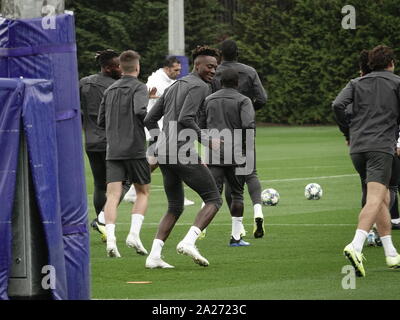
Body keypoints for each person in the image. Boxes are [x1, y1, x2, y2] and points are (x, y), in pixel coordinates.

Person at [144, 45, 223, 269]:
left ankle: (154, 256)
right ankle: (189, 242)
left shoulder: (175, 85)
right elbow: (187, 118)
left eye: (215, 67)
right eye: (209, 66)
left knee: (175, 206)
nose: (213, 71)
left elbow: (149, 119)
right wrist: (207, 140)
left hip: (164, 152)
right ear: (196, 66)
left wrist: (160, 142)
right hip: (181, 151)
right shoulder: (200, 86)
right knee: (214, 199)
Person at [332, 45, 400, 276]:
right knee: (376, 197)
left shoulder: (355, 83)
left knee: (384, 197)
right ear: (391, 63)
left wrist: (348, 131)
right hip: (381, 148)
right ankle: (356, 245)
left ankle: (391, 253)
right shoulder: (396, 82)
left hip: (358, 149)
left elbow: (337, 105)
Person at [98, 50, 150, 258]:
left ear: (121, 67)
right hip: (135, 148)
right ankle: (133, 235)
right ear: (137, 67)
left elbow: (101, 121)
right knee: (143, 192)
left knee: (112, 195)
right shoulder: (140, 87)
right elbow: (140, 111)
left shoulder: (109, 90)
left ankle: (111, 239)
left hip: (113, 149)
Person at [213, 39, 268, 239]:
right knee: (250, 173)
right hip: (243, 130)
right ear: (238, 53)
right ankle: (258, 212)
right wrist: (248, 112)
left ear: (220, 54)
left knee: (228, 180)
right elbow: (262, 99)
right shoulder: (249, 71)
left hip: (217, 134)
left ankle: (237, 227)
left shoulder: (214, 72)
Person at [123, 56, 195, 206]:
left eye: (179, 70)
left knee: (159, 161)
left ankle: (130, 191)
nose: (178, 72)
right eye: (176, 70)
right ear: (167, 69)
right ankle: (131, 190)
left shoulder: (169, 80)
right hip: (158, 128)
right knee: (170, 159)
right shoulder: (156, 81)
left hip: (163, 128)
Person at [79, 49, 129, 242]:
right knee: (123, 182)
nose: (122, 69)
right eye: (118, 66)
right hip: (112, 142)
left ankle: (103, 226)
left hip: (91, 141)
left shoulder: (83, 82)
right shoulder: (117, 86)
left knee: (100, 185)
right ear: (108, 68)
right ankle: (102, 221)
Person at [205, 68, 256, 247]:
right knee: (237, 194)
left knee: (211, 196)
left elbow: (200, 125)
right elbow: (248, 125)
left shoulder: (208, 100)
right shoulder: (243, 100)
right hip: (236, 154)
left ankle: (196, 232)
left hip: (213, 155)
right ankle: (235, 237)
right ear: (238, 83)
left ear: (219, 82)